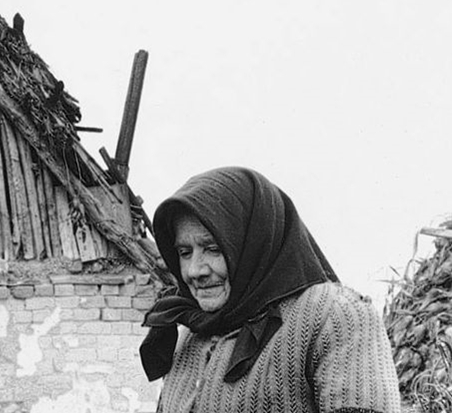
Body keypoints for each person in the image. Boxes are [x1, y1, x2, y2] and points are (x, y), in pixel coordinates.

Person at [140, 167, 401, 412]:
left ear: (253, 244)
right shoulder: (192, 333)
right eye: (185, 252)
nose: (195, 270)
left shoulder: (333, 316)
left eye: (213, 249)